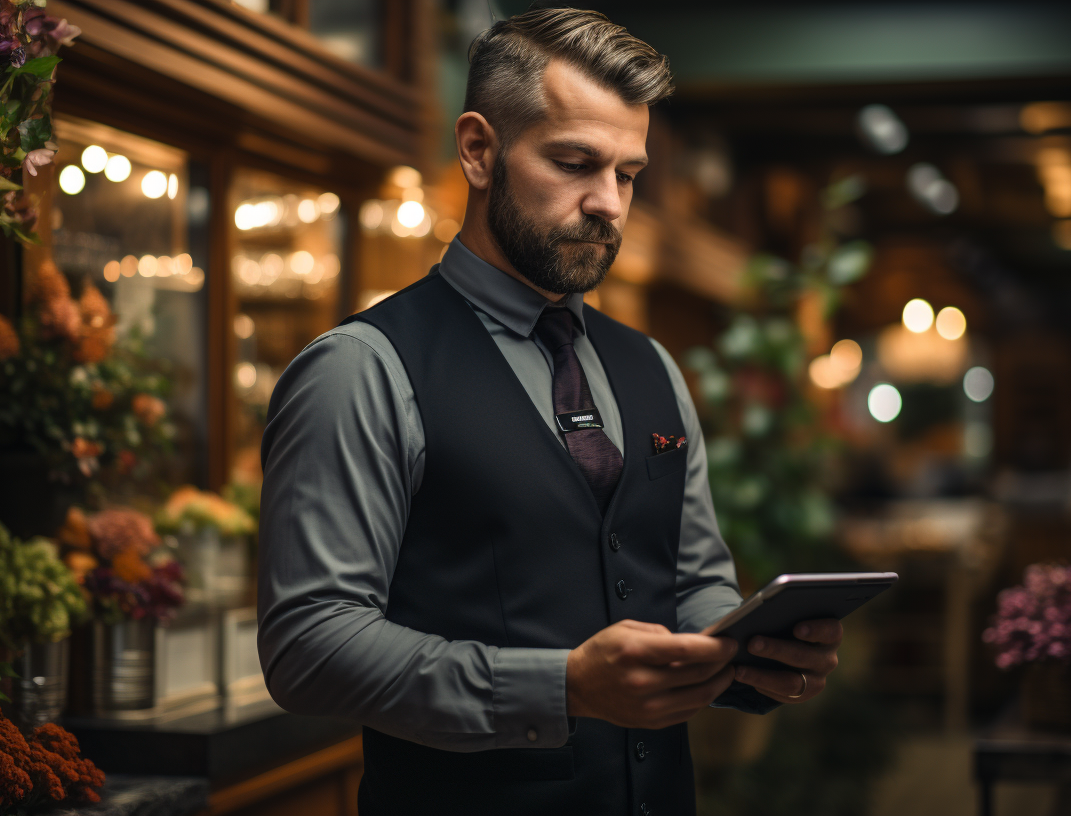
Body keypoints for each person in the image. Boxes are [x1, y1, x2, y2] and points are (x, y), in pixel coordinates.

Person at [256, 8, 842, 815]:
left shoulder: (652, 368)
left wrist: (750, 656)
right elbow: (309, 647)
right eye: (574, 163)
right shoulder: (363, 369)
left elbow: (693, 584)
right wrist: (561, 687)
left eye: (627, 174)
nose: (607, 203)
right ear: (479, 149)